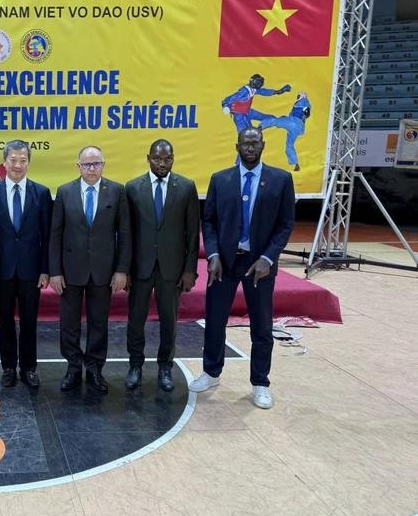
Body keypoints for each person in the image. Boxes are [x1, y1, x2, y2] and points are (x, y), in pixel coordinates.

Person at [190, 127, 295, 409]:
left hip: (259, 264)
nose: (250, 147)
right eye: (246, 143)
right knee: (214, 320)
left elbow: (286, 224)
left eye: (255, 143)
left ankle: (260, 383)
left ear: (263, 145)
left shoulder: (281, 180)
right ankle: (211, 372)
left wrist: (269, 257)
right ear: (237, 146)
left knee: (261, 326)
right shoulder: (220, 179)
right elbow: (208, 221)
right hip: (224, 262)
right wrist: (212, 253)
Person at [49, 146, 130, 393]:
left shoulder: (116, 191)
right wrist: (55, 271)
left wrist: (121, 270)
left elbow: (125, 233)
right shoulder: (64, 192)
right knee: (69, 323)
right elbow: (55, 234)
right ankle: (73, 367)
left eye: (96, 164)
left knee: (98, 323)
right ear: (78, 166)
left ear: (103, 165)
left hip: (103, 272)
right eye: (87, 164)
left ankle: (94, 367)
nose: (92, 169)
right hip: (70, 270)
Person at [125, 139, 200, 392]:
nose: (162, 163)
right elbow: (127, 234)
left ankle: (165, 367)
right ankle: (135, 365)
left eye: (167, 158)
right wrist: (124, 269)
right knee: (136, 319)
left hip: (172, 268)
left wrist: (190, 269)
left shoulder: (186, 187)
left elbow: (192, 232)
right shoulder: (133, 188)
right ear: (148, 158)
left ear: (173, 158)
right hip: (140, 268)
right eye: (157, 158)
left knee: (169, 320)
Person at [0, 140, 52, 388]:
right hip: (2, 271)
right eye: (13, 160)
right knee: (5, 320)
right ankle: (9, 367)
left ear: (29, 163)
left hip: (32, 271)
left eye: (23, 160)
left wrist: (46, 269)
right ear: (4, 162)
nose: (18, 165)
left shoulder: (42, 193)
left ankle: (29, 368)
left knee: (30, 320)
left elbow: (48, 235)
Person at [222, 74, 291, 134]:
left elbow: (264, 91)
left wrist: (279, 91)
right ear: (254, 81)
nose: (260, 84)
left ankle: (280, 121)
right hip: (239, 115)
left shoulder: (253, 89)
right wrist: (225, 105)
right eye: (259, 82)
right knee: (245, 133)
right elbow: (231, 98)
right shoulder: (244, 91)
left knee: (266, 117)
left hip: (248, 111)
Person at [259, 92, 311, 171]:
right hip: (298, 127)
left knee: (274, 121)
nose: (298, 97)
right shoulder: (307, 103)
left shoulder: (303, 101)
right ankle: (295, 163)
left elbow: (305, 111)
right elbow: (305, 113)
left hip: (293, 122)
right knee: (289, 145)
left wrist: (304, 108)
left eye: (299, 95)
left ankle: (260, 127)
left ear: (303, 96)